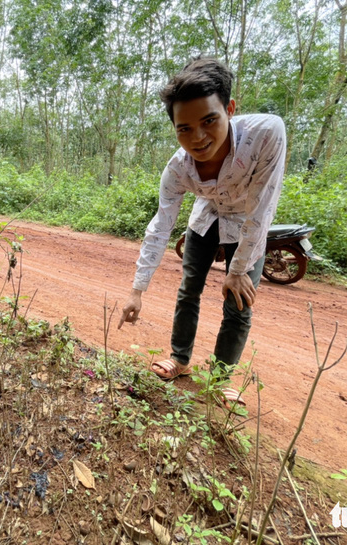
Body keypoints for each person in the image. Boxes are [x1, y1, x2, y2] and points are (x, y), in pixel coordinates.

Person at [117, 56, 286, 404]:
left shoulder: (267, 134)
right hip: (206, 217)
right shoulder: (177, 169)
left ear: (230, 109)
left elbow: (263, 208)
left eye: (209, 121)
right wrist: (137, 290)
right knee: (188, 290)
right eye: (184, 128)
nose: (198, 137)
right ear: (175, 128)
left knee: (239, 301)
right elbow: (160, 227)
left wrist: (238, 269)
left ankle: (221, 378)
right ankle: (180, 359)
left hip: (247, 222)